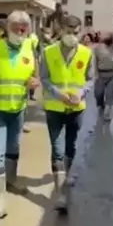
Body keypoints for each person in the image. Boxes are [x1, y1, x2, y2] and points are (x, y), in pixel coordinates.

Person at [0, 11, 39, 218]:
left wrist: (34, 83)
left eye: (24, 27)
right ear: (7, 27)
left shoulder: (29, 49)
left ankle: (11, 181)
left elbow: (33, 77)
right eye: (16, 26)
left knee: (13, 148)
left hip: (18, 109)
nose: (20, 30)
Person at [39, 15, 95, 214]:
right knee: (57, 148)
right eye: (68, 32)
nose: (72, 36)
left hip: (76, 108)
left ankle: (67, 174)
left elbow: (90, 79)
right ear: (60, 31)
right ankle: (60, 193)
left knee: (70, 145)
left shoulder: (87, 54)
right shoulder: (48, 52)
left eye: (76, 33)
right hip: (54, 107)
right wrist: (58, 94)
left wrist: (81, 93)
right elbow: (44, 78)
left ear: (81, 32)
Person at [93, 32, 113, 120]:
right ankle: (101, 105)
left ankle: (107, 113)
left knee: (110, 94)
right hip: (100, 74)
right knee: (98, 93)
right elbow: (95, 61)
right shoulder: (98, 48)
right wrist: (95, 73)